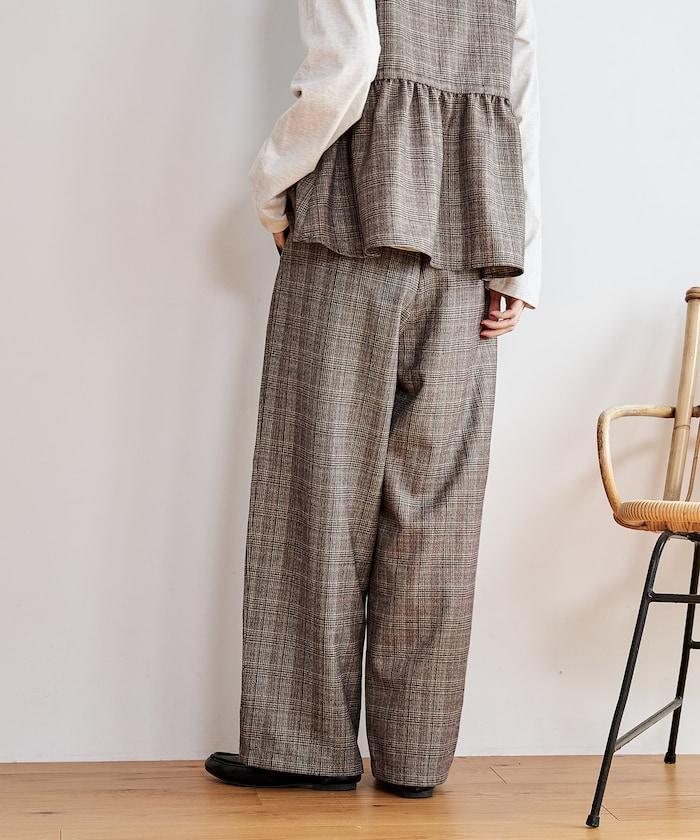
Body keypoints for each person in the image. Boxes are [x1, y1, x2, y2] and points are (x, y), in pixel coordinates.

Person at [205, 0, 541, 798]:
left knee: (317, 493)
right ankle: (415, 758)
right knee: (436, 510)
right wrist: (521, 264)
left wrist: (269, 185)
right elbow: (525, 94)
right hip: (471, 247)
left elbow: (348, 67)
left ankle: (304, 750)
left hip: (350, 227)